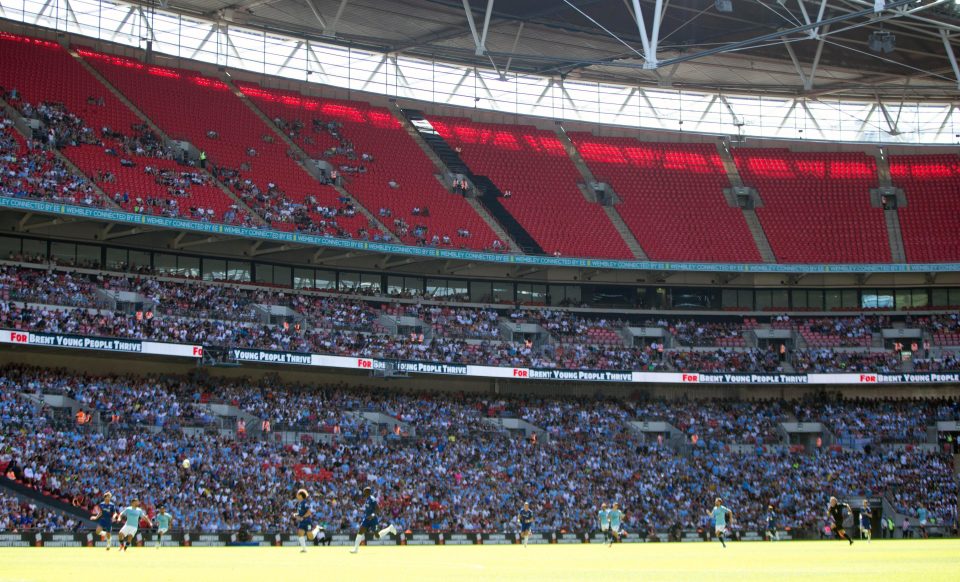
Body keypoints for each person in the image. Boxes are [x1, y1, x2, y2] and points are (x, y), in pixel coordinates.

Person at [350, 487, 397, 554]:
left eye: (364, 491)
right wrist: (361, 510)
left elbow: (378, 509)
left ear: (368, 492)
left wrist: (372, 515)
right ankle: (355, 549)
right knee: (360, 531)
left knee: (377, 536)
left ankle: (390, 528)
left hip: (373, 520)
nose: (363, 493)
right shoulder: (367, 499)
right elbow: (367, 510)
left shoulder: (372, 499)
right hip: (366, 519)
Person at [294, 489, 322, 553]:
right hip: (302, 522)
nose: (296, 495)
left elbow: (309, 512)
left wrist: (302, 517)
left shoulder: (304, 503)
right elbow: (301, 513)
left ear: (301, 495)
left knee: (310, 537)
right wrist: (296, 515)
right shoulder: (299, 504)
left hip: (307, 521)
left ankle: (317, 529)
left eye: (298, 494)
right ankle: (304, 549)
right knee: (300, 533)